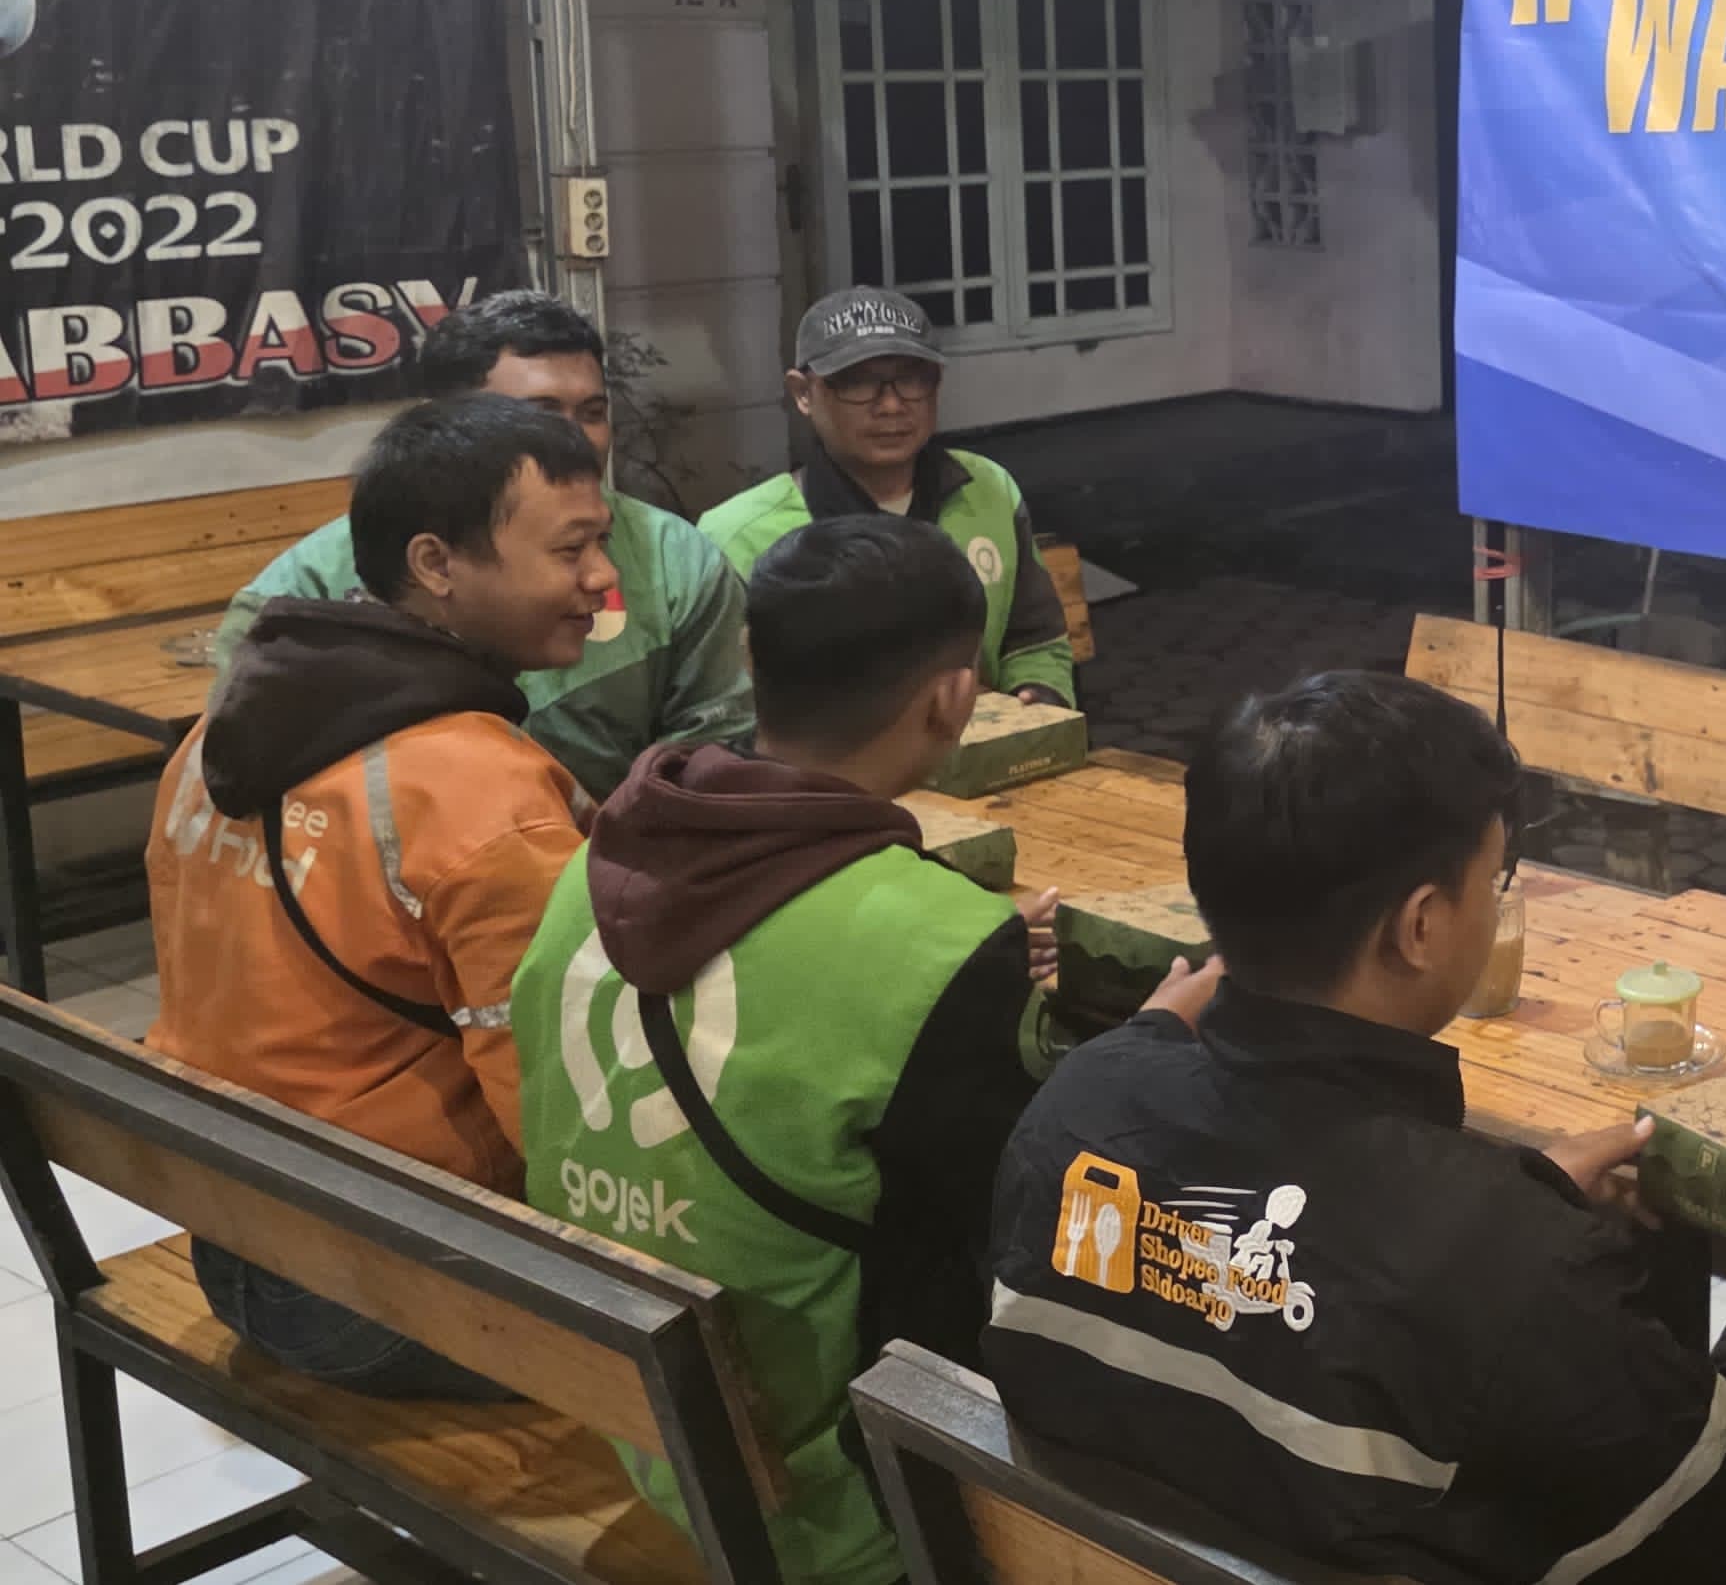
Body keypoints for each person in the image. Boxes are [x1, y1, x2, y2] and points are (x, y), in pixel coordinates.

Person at [983, 671, 1726, 1582]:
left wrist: (1518, 1197)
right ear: (1420, 927)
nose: (1497, 901)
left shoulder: (1076, 1102)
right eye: (1494, 880)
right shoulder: (1516, 1267)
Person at [515, 516, 1088, 1585]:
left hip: (639, 1419)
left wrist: (969, 952)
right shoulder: (936, 945)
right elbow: (1024, 1234)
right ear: (953, 696)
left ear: (749, 660)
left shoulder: (587, 873)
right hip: (842, 1509)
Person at [145, 395, 612, 1396]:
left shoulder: (215, 736)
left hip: (231, 1231)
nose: (602, 579)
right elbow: (559, 1109)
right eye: (571, 550)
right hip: (384, 1281)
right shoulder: (476, 790)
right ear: (437, 563)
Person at [209, 289, 752, 800]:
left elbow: (722, 753)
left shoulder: (676, 562)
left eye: (592, 412)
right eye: (539, 414)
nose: (576, 438)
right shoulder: (298, 598)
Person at [699, 287, 1076, 707]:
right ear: (803, 393)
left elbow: (1036, 639)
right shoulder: (739, 536)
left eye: (913, 379)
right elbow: (724, 708)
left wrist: (1040, 700)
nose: (892, 405)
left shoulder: (987, 489)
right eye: (858, 382)